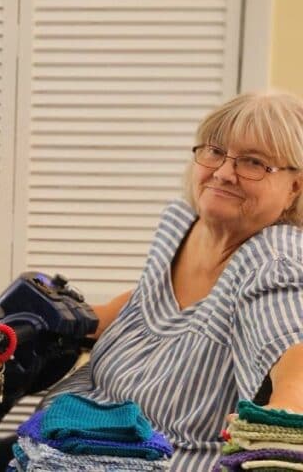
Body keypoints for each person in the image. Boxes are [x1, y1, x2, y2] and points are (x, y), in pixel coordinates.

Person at [44, 91, 303, 471]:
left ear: (295, 187)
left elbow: (290, 339)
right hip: (70, 437)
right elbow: (147, 300)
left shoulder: (275, 259)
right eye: (215, 151)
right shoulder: (184, 224)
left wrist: (283, 418)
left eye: (254, 163)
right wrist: (67, 319)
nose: (224, 172)